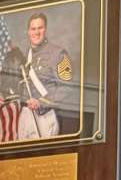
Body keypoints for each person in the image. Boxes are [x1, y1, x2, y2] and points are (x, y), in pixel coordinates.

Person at [9, 12, 77, 140]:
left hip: (45, 115)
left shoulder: (58, 53)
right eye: (33, 29)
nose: (36, 32)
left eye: (40, 28)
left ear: (45, 29)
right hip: (25, 114)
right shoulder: (24, 54)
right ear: (28, 31)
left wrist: (41, 102)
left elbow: (67, 86)